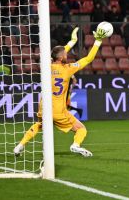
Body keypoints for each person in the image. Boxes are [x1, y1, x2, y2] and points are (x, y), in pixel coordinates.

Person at [14, 26, 109, 157]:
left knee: (39, 124)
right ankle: (75, 145)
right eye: (65, 54)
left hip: (44, 106)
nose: (67, 55)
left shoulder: (47, 66)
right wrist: (98, 41)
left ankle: (20, 145)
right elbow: (88, 59)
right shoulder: (68, 69)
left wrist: (72, 41)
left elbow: (57, 54)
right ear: (61, 57)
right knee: (81, 129)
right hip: (59, 110)